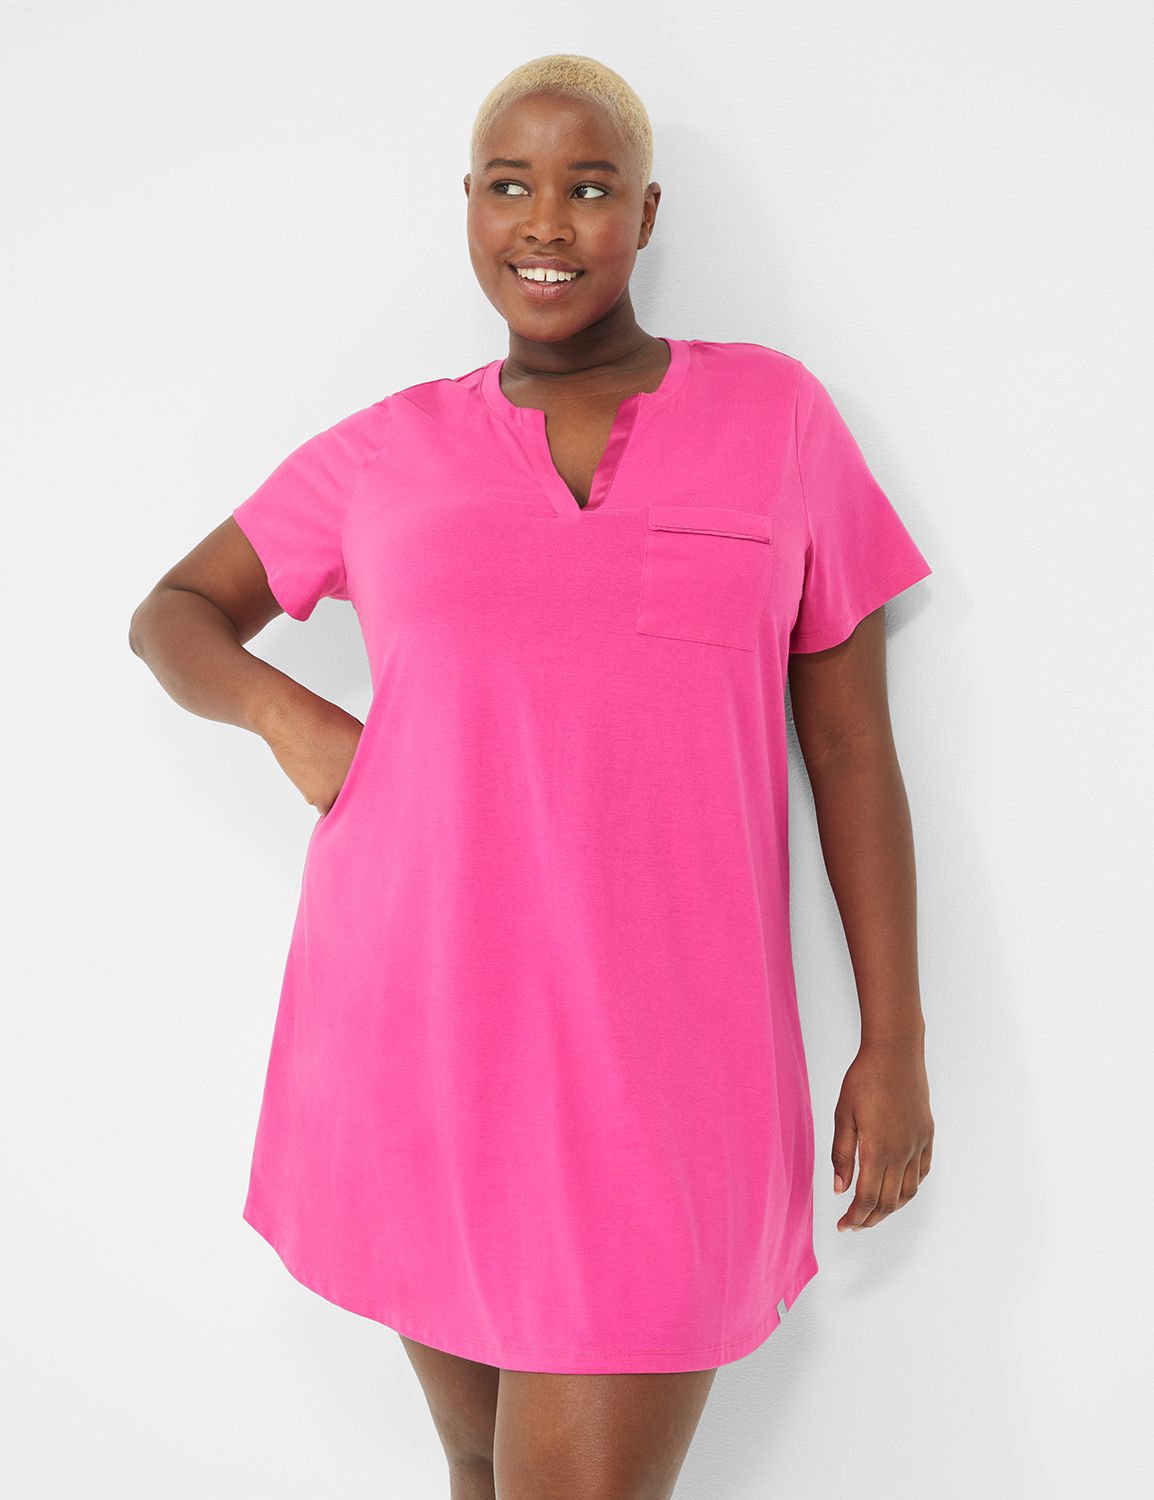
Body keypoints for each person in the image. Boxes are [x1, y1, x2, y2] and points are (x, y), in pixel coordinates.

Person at [129, 51, 935, 1500]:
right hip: (420, 1040)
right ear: (468, 206)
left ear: (646, 214)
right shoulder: (390, 449)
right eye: (510, 185)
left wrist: (897, 1038)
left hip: (668, 1074)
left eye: (589, 187)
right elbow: (174, 613)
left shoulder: (776, 420)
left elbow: (850, 747)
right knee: (477, 1466)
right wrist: (295, 722)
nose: (547, 222)